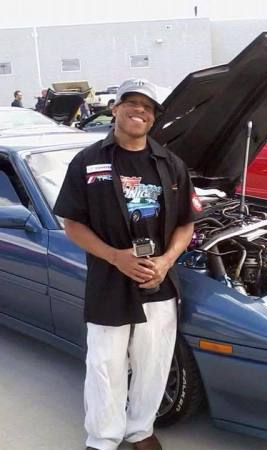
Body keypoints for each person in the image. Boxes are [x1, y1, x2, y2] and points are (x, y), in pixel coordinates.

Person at [53, 78, 203, 450]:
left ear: (154, 117)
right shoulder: (88, 161)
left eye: (147, 106)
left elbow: (187, 223)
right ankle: (103, 437)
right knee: (105, 365)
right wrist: (115, 257)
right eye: (131, 103)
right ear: (115, 109)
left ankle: (140, 430)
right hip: (109, 280)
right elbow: (72, 224)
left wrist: (167, 261)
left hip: (157, 281)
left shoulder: (171, 164)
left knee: (153, 364)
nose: (139, 110)